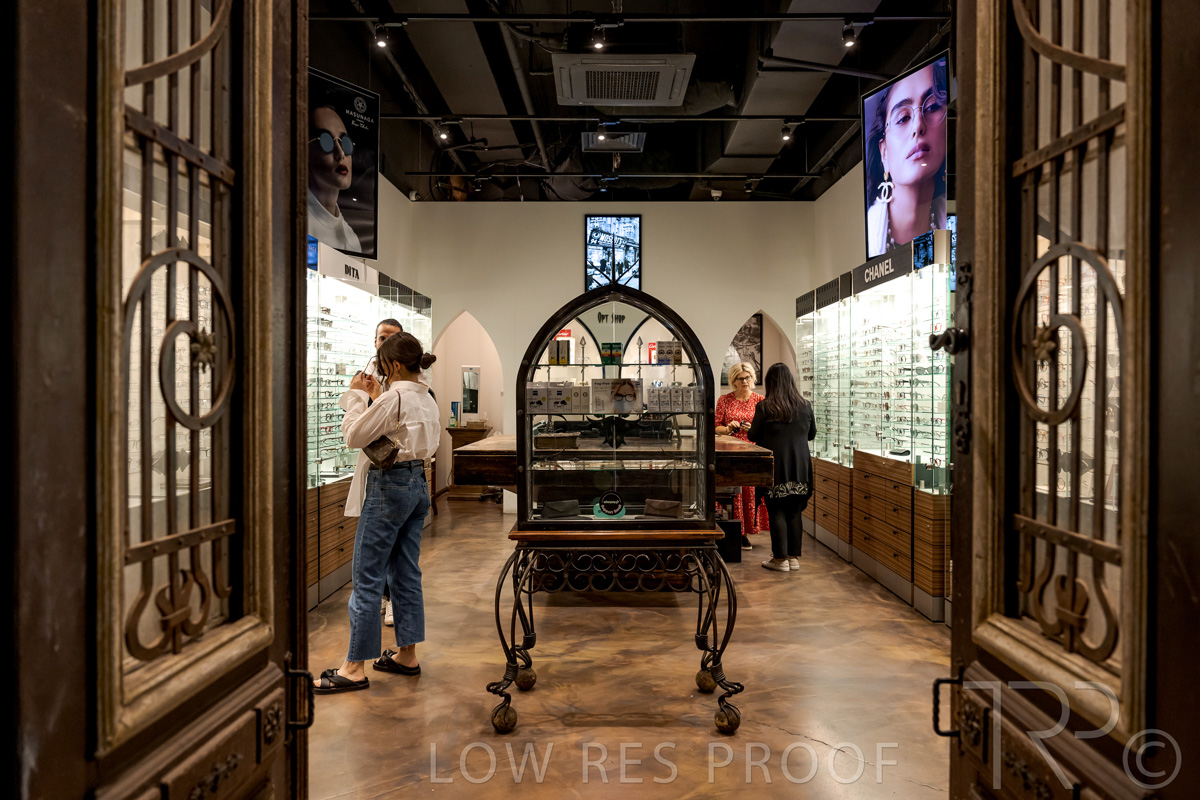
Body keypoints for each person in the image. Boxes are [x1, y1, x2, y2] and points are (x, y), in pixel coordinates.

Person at [313, 333, 440, 694]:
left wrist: (357, 397)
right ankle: (407, 655)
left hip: (390, 487)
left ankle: (354, 668)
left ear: (394, 365)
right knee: (406, 573)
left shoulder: (393, 398)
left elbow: (354, 436)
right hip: (418, 484)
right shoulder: (426, 397)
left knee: (367, 576)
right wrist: (377, 396)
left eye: (383, 366)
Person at [864, 56, 949, 258]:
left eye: (932, 106)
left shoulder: (954, 222)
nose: (918, 125)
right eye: (903, 118)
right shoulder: (870, 235)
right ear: (884, 152)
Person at [748, 362, 817, 573]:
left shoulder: (765, 407)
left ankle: (780, 559)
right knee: (795, 511)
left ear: (770, 382)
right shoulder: (805, 405)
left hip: (776, 468)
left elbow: (752, 435)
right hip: (800, 467)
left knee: (776, 511)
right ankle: (793, 558)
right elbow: (812, 434)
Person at [715, 362, 764, 549]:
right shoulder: (725, 400)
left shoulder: (760, 400)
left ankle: (745, 532)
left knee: (749, 493)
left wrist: (753, 428)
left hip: (752, 452)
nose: (745, 381)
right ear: (733, 380)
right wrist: (728, 428)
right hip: (730, 451)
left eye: (748, 377)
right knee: (732, 493)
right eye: (740, 378)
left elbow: (766, 429)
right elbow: (716, 426)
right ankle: (733, 531)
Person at [307, 103, 362, 253]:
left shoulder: (352, 240)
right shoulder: (289, 221)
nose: (340, 153)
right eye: (326, 142)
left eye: (345, 143)